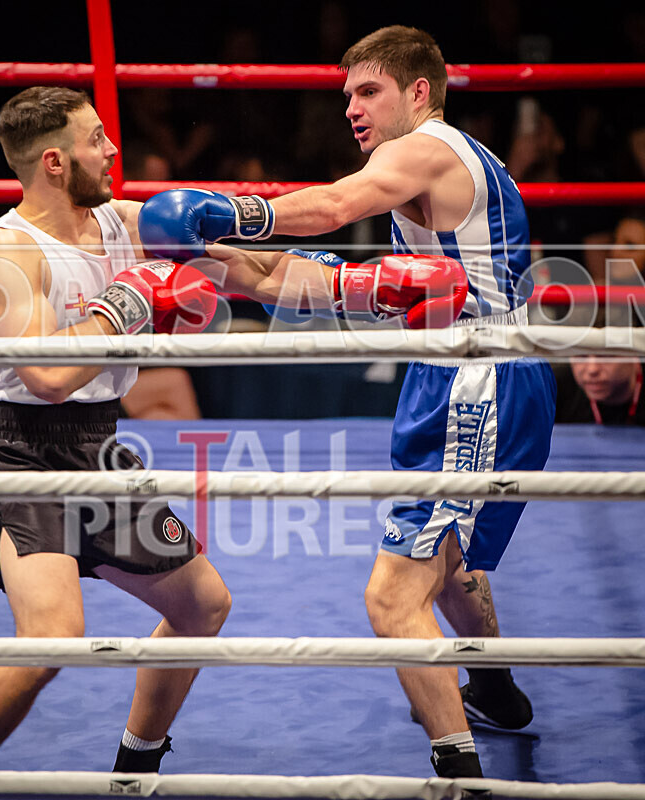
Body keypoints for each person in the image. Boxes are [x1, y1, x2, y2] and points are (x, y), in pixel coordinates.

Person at [136, 25, 556, 778]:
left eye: (369, 91)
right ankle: (494, 689)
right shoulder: (437, 179)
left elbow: (333, 205)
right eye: (348, 96)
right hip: (457, 372)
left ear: (419, 91)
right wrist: (212, 260)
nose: (353, 109)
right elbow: (306, 281)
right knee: (445, 553)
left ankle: (460, 775)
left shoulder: (427, 147)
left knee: (393, 597)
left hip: (479, 377)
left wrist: (232, 212)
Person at [0, 86, 231, 774]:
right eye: (96, 138)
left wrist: (347, 288)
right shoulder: (7, 251)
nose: (113, 148)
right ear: (56, 162)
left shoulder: (121, 223)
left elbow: (248, 267)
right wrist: (126, 303)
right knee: (51, 639)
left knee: (203, 606)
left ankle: (136, 767)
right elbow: (47, 376)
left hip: (100, 446)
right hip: (23, 454)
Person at [554, 356, 645, 425]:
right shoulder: (555, 385)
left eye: (605, 356)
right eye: (582, 356)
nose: (592, 370)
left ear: (635, 357)